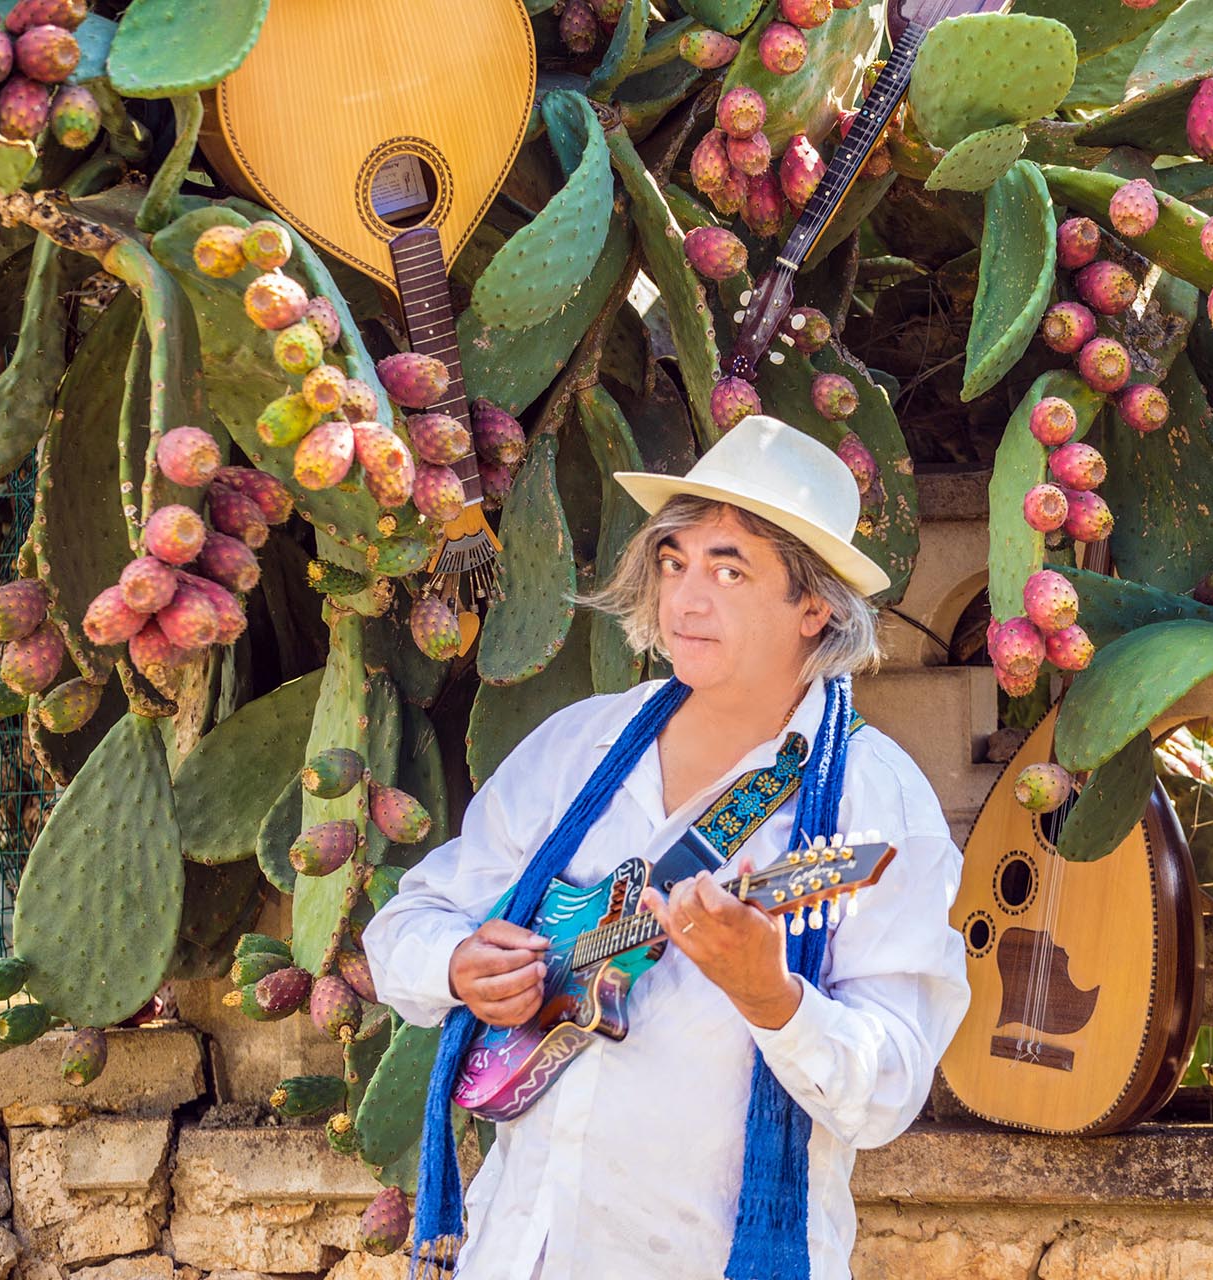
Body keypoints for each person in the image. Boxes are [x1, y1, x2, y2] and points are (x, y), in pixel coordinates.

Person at [365, 415, 971, 1280]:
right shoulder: (578, 748)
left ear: (817, 606)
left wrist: (773, 997)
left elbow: (888, 1091)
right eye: (675, 561)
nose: (685, 598)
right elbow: (407, 923)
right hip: (515, 1252)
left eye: (730, 569)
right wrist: (457, 964)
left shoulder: (876, 805)